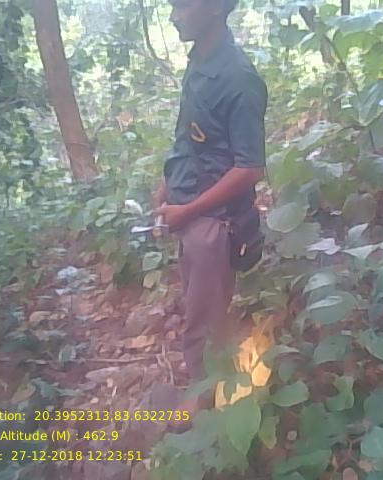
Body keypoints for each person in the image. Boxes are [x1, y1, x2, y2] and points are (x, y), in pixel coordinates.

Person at [152, 0, 268, 415]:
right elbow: (189, 137)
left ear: (216, 7)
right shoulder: (199, 61)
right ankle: (212, 390)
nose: (174, 15)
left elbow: (249, 168)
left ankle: (206, 403)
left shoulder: (238, 79)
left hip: (215, 223)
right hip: (190, 210)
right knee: (200, 307)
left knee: (204, 320)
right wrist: (167, 186)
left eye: (183, 5)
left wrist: (188, 211)